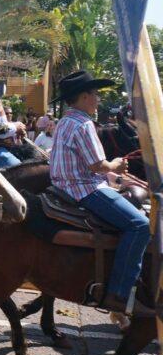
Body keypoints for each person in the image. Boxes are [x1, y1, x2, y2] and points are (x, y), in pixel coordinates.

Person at [49, 70, 151, 316]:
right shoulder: (84, 124)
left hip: (65, 186)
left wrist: (113, 173)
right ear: (84, 97)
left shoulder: (64, 121)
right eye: (95, 94)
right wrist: (116, 165)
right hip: (83, 189)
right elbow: (98, 166)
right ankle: (119, 294)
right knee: (140, 225)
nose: (98, 99)